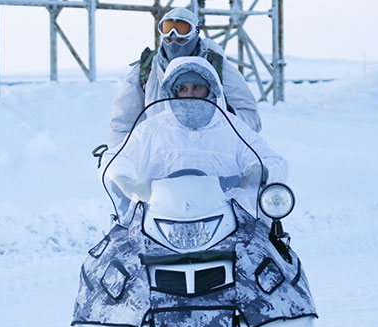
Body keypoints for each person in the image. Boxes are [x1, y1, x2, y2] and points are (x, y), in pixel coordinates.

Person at [101, 56, 286, 218]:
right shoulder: (151, 129)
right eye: (183, 88)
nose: (190, 94)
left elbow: (273, 160)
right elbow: (115, 158)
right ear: (172, 92)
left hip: (229, 223)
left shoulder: (232, 127)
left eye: (197, 87)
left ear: (211, 89)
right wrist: (127, 182)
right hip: (158, 223)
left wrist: (257, 173)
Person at [107, 7, 262, 153]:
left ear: (195, 32)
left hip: (213, 161)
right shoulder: (146, 70)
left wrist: (225, 116)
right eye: (168, 29)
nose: (174, 38)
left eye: (182, 30)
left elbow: (251, 118)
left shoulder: (217, 67)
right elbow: (122, 123)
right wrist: (120, 161)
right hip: (159, 163)